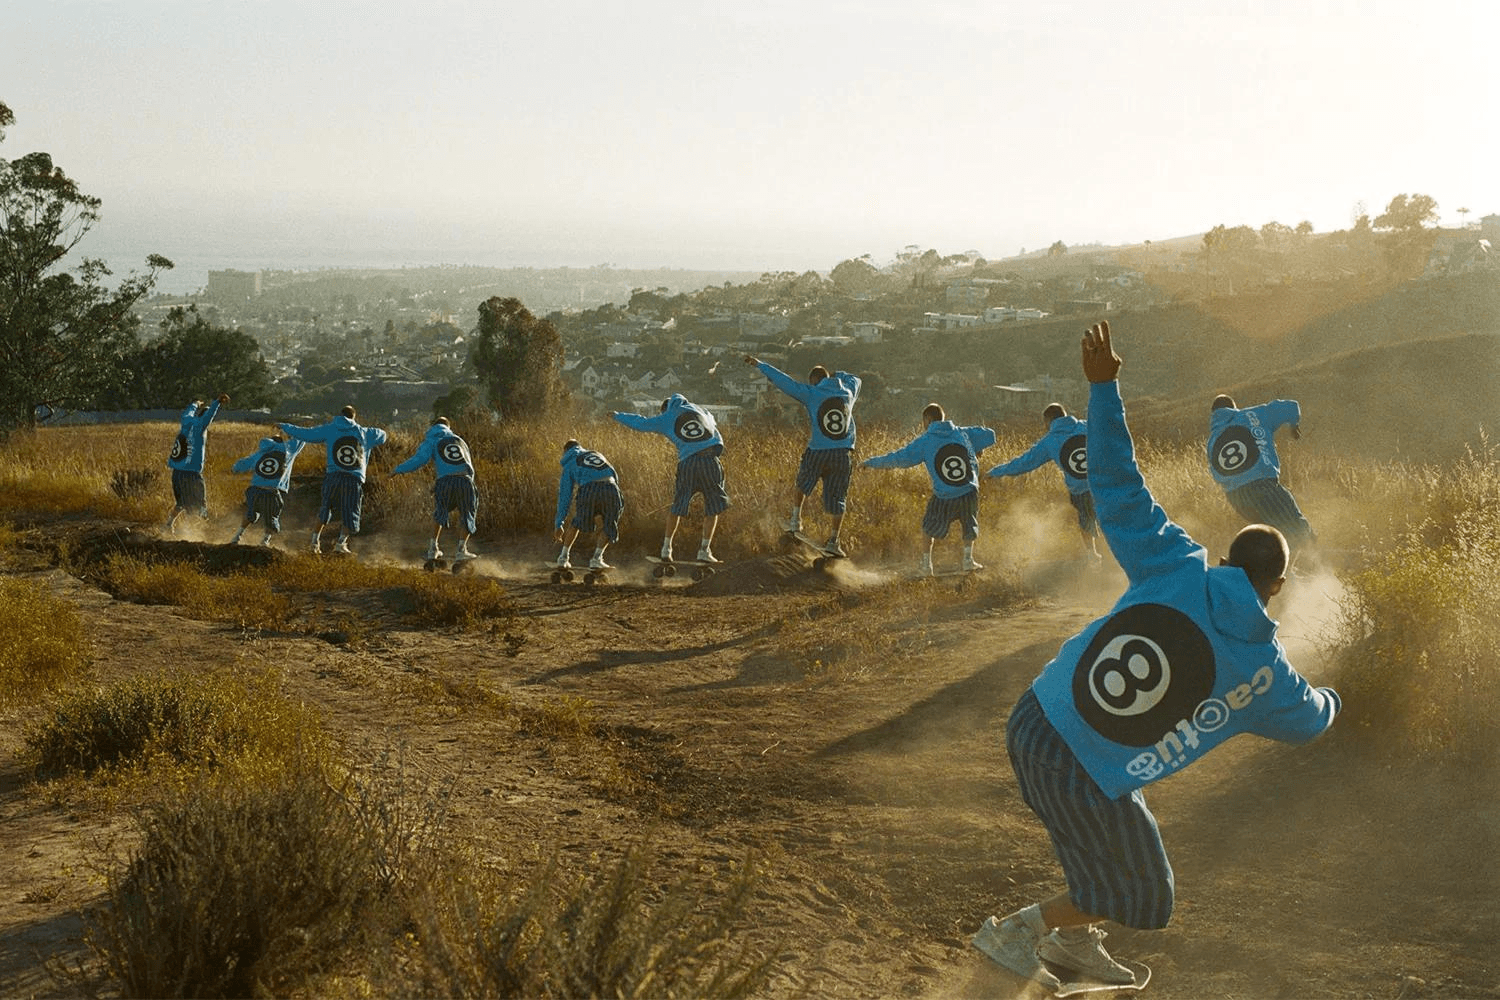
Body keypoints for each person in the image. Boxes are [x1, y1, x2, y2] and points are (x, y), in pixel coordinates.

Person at [972, 321, 1340, 990]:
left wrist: (1104, 387)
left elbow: (1116, 481)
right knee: (1146, 894)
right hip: (1080, 766)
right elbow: (1314, 718)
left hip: (1036, 718)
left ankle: (1074, 947)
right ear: (1278, 588)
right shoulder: (1266, 676)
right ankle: (1019, 931)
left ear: (1228, 559)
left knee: (1110, 849)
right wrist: (1340, 691)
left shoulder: (1175, 561)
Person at [744, 355, 861, 556]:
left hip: (818, 451)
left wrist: (761, 365)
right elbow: (857, 379)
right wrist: (837, 375)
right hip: (843, 454)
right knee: (837, 499)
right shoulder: (849, 392)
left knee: (802, 484)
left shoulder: (812, 393)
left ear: (814, 381)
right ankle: (834, 540)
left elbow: (784, 382)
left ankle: (796, 520)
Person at [862, 402, 995, 575]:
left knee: (928, 528)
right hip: (969, 490)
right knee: (969, 524)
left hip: (944, 494)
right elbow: (990, 435)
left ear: (928, 419)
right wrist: (977, 447)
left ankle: (926, 566)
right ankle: (968, 560)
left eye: (923, 421)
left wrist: (871, 463)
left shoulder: (925, 441)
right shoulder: (963, 432)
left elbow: (898, 458)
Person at [612, 394, 729, 564]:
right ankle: (705, 550)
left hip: (689, 463)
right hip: (711, 461)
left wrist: (617, 415)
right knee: (713, 507)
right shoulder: (702, 410)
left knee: (678, 506)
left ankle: (666, 549)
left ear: (666, 408)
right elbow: (715, 431)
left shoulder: (667, 416)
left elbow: (642, 423)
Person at [987, 402, 1101, 561]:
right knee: (1108, 517)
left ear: (1048, 421)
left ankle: (1092, 556)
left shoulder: (1049, 441)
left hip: (1080, 490)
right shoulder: (1087, 426)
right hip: (1103, 482)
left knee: (1086, 519)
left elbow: (1024, 462)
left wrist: (996, 471)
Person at [1206, 394, 1316, 551]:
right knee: (1298, 529)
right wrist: (1294, 425)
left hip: (1236, 499)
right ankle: (1321, 566)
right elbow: (1291, 406)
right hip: (1262, 488)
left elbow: (1217, 473)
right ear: (1234, 408)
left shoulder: (1211, 440)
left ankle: (1277, 571)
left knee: (1271, 536)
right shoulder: (1252, 414)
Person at [278, 405, 388, 555]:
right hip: (353, 478)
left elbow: (306, 434)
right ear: (354, 417)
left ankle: (314, 542)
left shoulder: (329, 429)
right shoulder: (365, 432)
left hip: (333, 476)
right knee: (351, 511)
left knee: (325, 508)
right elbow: (383, 436)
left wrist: (286, 427)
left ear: (340, 415)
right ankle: (341, 543)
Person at [392, 416, 478, 563]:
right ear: (449, 427)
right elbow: (468, 464)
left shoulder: (431, 440)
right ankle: (462, 550)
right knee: (467, 513)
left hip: (444, 482)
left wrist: (398, 470)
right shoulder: (459, 440)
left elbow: (419, 460)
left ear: (433, 427)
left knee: (440, 512)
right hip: (465, 480)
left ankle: (433, 548)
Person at [553, 439, 624, 570]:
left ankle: (563, 558)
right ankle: (597, 559)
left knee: (577, 522)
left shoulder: (569, 463)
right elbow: (614, 473)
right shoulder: (597, 454)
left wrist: (559, 523)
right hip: (611, 487)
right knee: (610, 523)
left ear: (565, 451)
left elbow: (565, 496)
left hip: (589, 488)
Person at [164, 392, 229, 534]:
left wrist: (195, 404)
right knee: (200, 503)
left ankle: (169, 524)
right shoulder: (201, 426)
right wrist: (217, 402)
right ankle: (189, 530)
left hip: (177, 471)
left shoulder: (187, 421)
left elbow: (187, 412)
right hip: (192, 473)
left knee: (181, 502)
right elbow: (210, 414)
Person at [228, 432, 306, 546]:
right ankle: (265, 541)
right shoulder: (287, 450)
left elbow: (241, 465)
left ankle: (237, 536)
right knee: (272, 517)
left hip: (254, 490)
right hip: (272, 491)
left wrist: (234, 468)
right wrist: (290, 432)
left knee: (252, 513)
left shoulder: (260, 453)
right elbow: (301, 438)